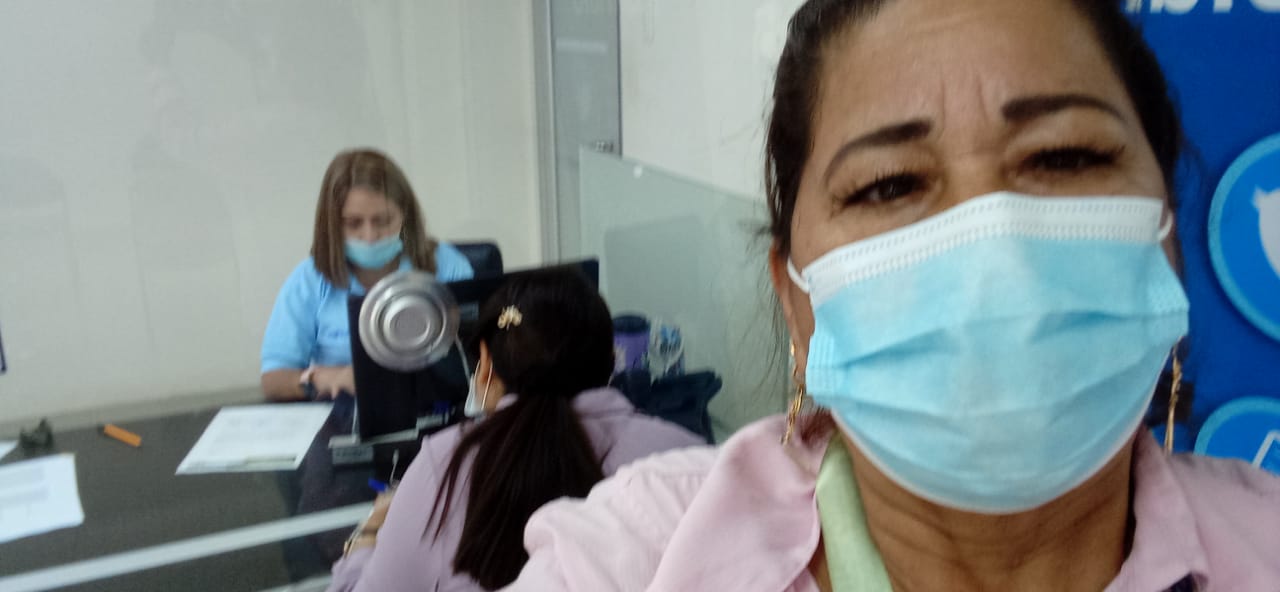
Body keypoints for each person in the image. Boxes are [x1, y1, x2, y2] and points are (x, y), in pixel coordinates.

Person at [505, 1, 1280, 590]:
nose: (994, 250)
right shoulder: (635, 557)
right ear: (796, 302)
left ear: (1169, 241)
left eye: (1066, 156)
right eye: (887, 185)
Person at [326, 267, 704, 592]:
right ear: (611, 361)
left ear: (485, 365)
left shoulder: (444, 463)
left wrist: (368, 534)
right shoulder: (683, 459)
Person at [261, 149, 474, 400]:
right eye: (353, 223)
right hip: (348, 410)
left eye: (383, 220)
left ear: (405, 216)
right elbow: (274, 379)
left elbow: (485, 353)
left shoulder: (447, 265)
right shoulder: (309, 280)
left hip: (440, 406)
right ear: (332, 224)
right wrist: (327, 378)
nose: (370, 236)